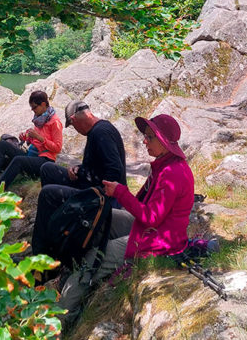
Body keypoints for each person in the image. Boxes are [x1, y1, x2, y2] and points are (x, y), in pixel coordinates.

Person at [56, 113, 195, 324]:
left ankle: (59, 321)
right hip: (154, 229)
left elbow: (150, 217)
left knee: (93, 257)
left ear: (164, 141)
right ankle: (72, 267)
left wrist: (120, 192)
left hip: (157, 240)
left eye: (150, 137)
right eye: (145, 136)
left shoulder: (172, 173)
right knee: (99, 219)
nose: (144, 140)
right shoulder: (165, 165)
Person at [31, 100, 126, 258]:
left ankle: (42, 256)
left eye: (73, 126)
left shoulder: (100, 133)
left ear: (74, 119)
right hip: (90, 184)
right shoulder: (98, 130)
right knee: (47, 169)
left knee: (48, 193)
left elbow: (115, 171)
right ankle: (57, 225)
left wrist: (96, 192)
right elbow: (98, 165)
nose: (75, 130)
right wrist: (79, 169)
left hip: (99, 196)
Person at [0, 90, 63, 193]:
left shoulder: (55, 122)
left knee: (18, 160)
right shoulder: (40, 118)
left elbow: (57, 148)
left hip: (44, 161)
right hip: (31, 156)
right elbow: (36, 141)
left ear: (43, 104)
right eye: (32, 107)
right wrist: (27, 138)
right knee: (3, 144)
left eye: (34, 107)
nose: (33, 110)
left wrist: (39, 138)